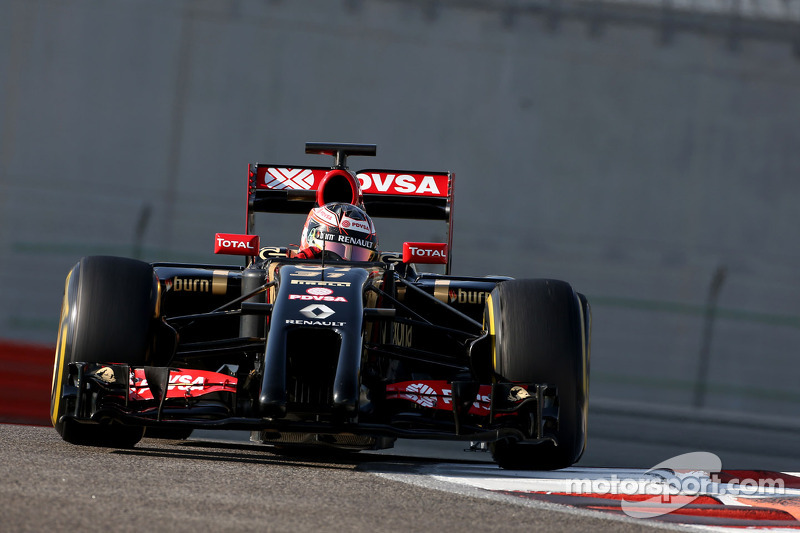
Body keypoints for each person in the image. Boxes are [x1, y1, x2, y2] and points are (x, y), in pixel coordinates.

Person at [293, 202, 378, 261]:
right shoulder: (284, 270)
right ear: (310, 238)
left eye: (359, 255)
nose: (346, 265)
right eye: (337, 249)